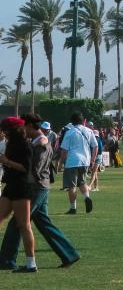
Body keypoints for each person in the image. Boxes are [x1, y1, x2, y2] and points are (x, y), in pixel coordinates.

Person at [0, 115, 78, 271]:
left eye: (24, 126)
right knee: (43, 223)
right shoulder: (37, 141)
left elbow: (34, 169)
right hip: (40, 186)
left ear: (29, 125)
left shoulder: (41, 143)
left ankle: (7, 260)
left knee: (18, 223)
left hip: (36, 187)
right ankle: (69, 254)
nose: (22, 130)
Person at [0, 118, 35, 272]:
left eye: (6, 129)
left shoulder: (26, 144)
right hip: (11, 186)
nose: (4, 132)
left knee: (24, 225)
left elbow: (25, 168)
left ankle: (31, 264)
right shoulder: (10, 143)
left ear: (13, 130)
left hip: (22, 186)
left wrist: (6, 161)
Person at [58, 113, 97, 215]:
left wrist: (60, 163)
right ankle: (87, 197)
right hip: (85, 161)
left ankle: (73, 208)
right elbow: (95, 146)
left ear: (72, 122)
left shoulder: (69, 132)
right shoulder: (89, 131)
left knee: (72, 186)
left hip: (72, 161)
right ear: (83, 121)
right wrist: (92, 159)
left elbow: (64, 151)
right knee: (82, 182)